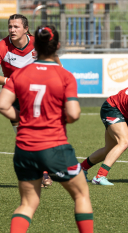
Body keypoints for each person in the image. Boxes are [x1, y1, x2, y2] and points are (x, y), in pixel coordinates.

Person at [0, 26, 93, 233]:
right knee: (81, 195)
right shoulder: (64, 76)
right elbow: (74, 114)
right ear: (57, 46)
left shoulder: (20, 74)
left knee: (27, 204)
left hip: (24, 148)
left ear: (35, 46)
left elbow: (3, 105)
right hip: (54, 146)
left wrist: (24, 119)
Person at [0, 14, 62, 187]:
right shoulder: (2, 46)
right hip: (13, 95)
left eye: (16, 27)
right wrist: (9, 81)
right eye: (10, 26)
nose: (12, 30)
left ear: (26, 29)